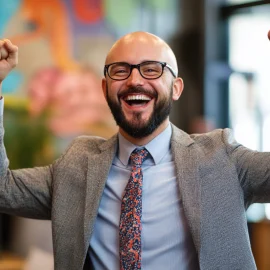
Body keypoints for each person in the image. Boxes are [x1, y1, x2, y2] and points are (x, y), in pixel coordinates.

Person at [0, 31, 269, 270]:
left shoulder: (222, 158)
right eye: (120, 70)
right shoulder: (77, 163)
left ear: (176, 88)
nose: (134, 80)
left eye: (151, 69)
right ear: (105, 89)